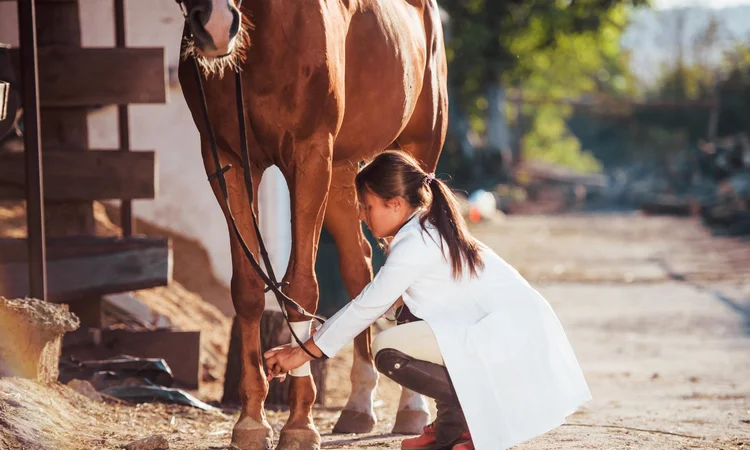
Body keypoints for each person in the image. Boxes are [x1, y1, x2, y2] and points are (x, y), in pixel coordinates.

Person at [264, 151, 592, 450]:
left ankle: (470, 424)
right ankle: (455, 426)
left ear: (394, 203)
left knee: (388, 349)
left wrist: (301, 353)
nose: (363, 216)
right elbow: (375, 303)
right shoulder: (422, 229)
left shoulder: (416, 242)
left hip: (509, 338)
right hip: (504, 333)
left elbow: (367, 306)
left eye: (368, 206)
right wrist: (305, 347)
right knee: (406, 319)